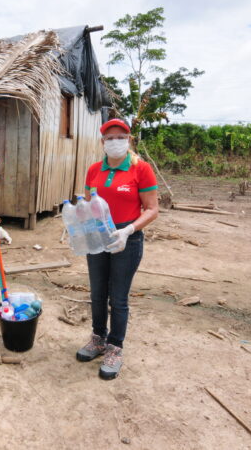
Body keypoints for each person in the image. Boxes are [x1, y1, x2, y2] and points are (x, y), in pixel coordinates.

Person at [75, 118, 159, 380]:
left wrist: (128, 230)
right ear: (103, 142)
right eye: (109, 138)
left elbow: (153, 209)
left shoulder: (141, 169)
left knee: (118, 298)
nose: (115, 142)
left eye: (120, 137)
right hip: (98, 238)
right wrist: (79, 223)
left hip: (127, 238)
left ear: (129, 140)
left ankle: (115, 347)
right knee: (98, 292)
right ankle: (98, 338)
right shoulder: (93, 171)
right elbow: (88, 204)